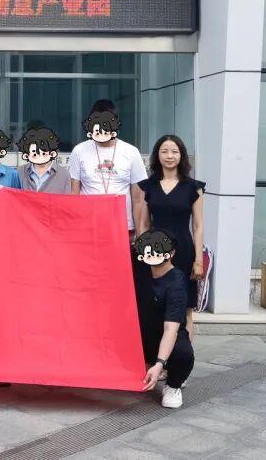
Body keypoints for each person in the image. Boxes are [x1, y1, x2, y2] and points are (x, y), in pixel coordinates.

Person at [135, 134, 204, 337]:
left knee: (185, 308)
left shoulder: (194, 187)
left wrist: (198, 260)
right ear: (157, 155)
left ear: (181, 155)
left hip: (183, 251)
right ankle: (158, 352)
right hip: (154, 251)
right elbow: (144, 223)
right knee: (153, 304)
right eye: (164, 151)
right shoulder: (147, 186)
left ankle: (184, 352)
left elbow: (198, 226)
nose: (169, 156)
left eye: (174, 151)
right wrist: (142, 252)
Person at [135, 229, 195, 409]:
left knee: (183, 354)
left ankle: (173, 385)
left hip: (165, 336)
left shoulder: (176, 283)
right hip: (140, 334)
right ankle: (146, 366)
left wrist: (160, 364)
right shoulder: (140, 268)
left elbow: (171, 329)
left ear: (171, 253)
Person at [68, 101, 146, 236]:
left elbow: (139, 199)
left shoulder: (131, 152)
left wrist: (140, 235)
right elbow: (74, 195)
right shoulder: (79, 151)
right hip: (88, 226)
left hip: (123, 228)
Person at [15, 126, 72, 194]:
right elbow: (12, 196)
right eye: (35, 154)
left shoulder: (64, 174)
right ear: (26, 155)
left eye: (44, 153)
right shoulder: (19, 172)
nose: (40, 156)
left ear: (52, 153)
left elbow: (66, 199)